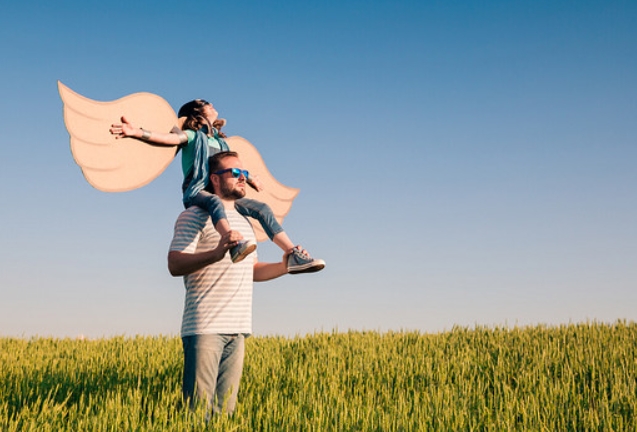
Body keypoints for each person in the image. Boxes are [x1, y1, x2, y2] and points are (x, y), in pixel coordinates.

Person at [110, 99, 324, 273]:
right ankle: (232, 242)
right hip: (199, 193)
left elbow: (231, 168)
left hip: (223, 196)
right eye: (205, 103)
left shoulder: (222, 143)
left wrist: (250, 179)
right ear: (196, 112)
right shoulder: (192, 137)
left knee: (262, 209)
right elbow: (166, 139)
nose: (212, 104)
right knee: (213, 201)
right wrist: (137, 132)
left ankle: (293, 254)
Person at [168, 151, 296, 415]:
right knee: (198, 412)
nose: (242, 179)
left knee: (225, 412)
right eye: (235, 173)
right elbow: (174, 264)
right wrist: (216, 253)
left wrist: (286, 267)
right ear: (214, 179)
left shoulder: (246, 221)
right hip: (204, 327)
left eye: (245, 174)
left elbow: (252, 270)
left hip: (238, 328)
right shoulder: (194, 215)